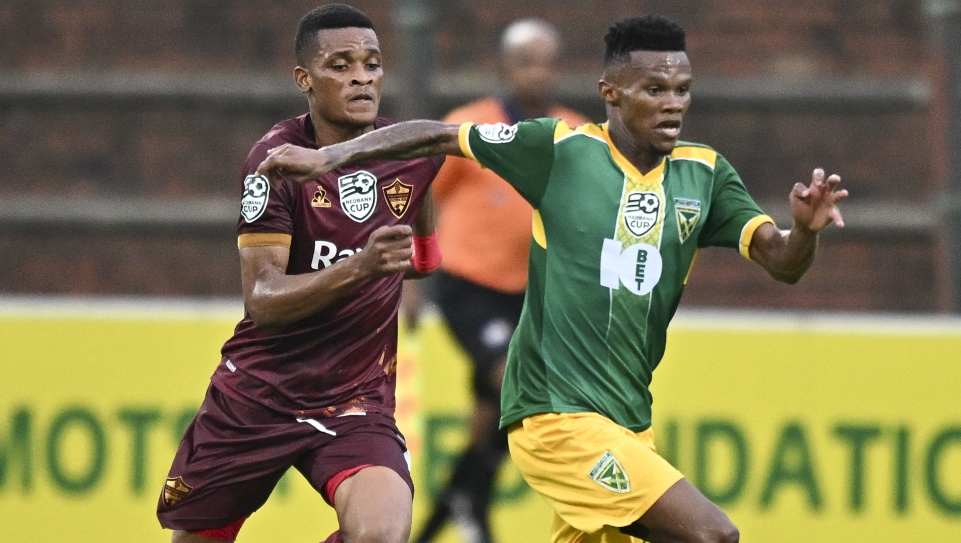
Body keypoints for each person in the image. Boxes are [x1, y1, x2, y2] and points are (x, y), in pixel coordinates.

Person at [256, 14, 848, 543]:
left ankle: (465, 497)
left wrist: (806, 232)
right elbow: (437, 137)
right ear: (611, 93)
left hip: (626, 423)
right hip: (554, 416)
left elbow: (782, 262)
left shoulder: (705, 174)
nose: (673, 103)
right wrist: (327, 158)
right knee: (713, 534)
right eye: (655, 89)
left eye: (682, 90)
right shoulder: (560, 149)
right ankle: (468, 501)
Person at [156, 5, 444, 543]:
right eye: (341, 65)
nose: (362, 76)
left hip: (355, 401)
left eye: (373, 63)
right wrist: (361, 266)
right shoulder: (274, 163)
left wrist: (405, 260)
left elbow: (423, 258)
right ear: (304, 80)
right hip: (260, 396)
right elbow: (262, 298)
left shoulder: (409, 153)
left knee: (381, 534)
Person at [414, 18, 590, 543]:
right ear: (505, 69)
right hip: (467, 284)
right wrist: (409, 278)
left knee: (497, 410)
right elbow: (421, 195)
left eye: (547, 62)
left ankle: (456, 510)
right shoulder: (471, 127)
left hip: (533, 294)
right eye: (526, 62)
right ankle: (468, 511)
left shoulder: (577, 134)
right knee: (511, 376)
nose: (538, 73)